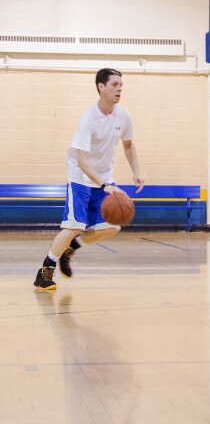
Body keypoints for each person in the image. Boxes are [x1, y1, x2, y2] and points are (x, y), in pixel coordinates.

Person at [33, 68, 145, 291]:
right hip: (80, 177)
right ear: (101, 87)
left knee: (112, 227)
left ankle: (70, 249)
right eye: (115, 84)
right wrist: (105, 185)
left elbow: (128, 145)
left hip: (103, 179)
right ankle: (45, 271)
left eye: (121, 84)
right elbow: (82, 159)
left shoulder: (123, 116)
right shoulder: (88, 118)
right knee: (73, 226)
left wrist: (136, 171)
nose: (120, 88)